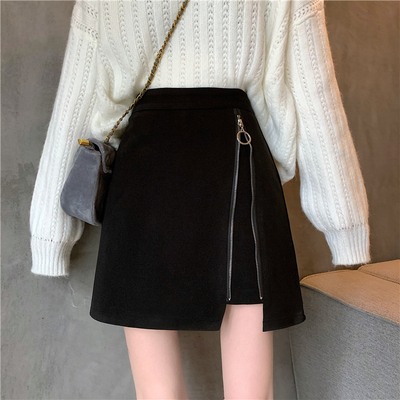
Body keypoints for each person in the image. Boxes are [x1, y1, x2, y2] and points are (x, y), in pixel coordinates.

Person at [29, 1, 371, 399]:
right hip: (233, 163)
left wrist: (49, 234)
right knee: (246, 393)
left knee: (160, 393)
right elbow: (313, 91)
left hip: (148, 173)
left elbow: (77, 97)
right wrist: (345, 221)